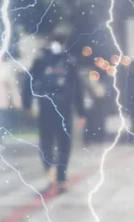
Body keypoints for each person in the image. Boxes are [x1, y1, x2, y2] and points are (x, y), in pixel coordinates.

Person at [23, 33, 86, 194]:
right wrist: (27, 103)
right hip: (53, 107)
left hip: (57, 107)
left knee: (57, 141)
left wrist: (81, 112)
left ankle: (57, 173)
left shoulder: (64, 62)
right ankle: (54, 171)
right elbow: (29, 81)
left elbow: (77, 88)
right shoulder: (45, 61)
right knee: (52, 141)